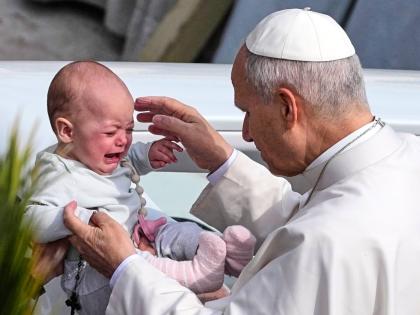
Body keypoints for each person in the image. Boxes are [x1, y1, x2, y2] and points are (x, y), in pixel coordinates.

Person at [61, 8, 420, 314]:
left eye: (247, 111)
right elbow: (313, 214)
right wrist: (222, 160)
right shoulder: (406, 158)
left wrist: (124, 267)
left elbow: (318, 232)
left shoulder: (325, 242)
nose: (245, 133)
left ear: (286, 107)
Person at [25, 61, 255, 314]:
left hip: (139, 233)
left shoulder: (95, 155)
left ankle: (223, 252)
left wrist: (148, 154)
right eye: (111, 132)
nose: (123, 140)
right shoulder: (57, 174)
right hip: (97, 273)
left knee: (176, 231)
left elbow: (127, 160)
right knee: (143, 264)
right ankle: (195, 274)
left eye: (129, 129)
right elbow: (30, 217)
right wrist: (75, 219)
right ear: (67, 131)